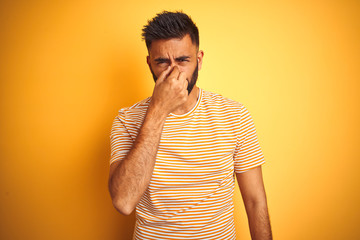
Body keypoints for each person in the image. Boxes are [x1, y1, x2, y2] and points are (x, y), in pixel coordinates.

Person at [108, 11, 272, 240]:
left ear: (199, 59)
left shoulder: (234, 115)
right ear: (149, 63)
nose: (173, 72)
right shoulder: (127, 120)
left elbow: (255, 202)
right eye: (162, 62)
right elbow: (124, 202)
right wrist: (158, 109)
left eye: (183, 60)